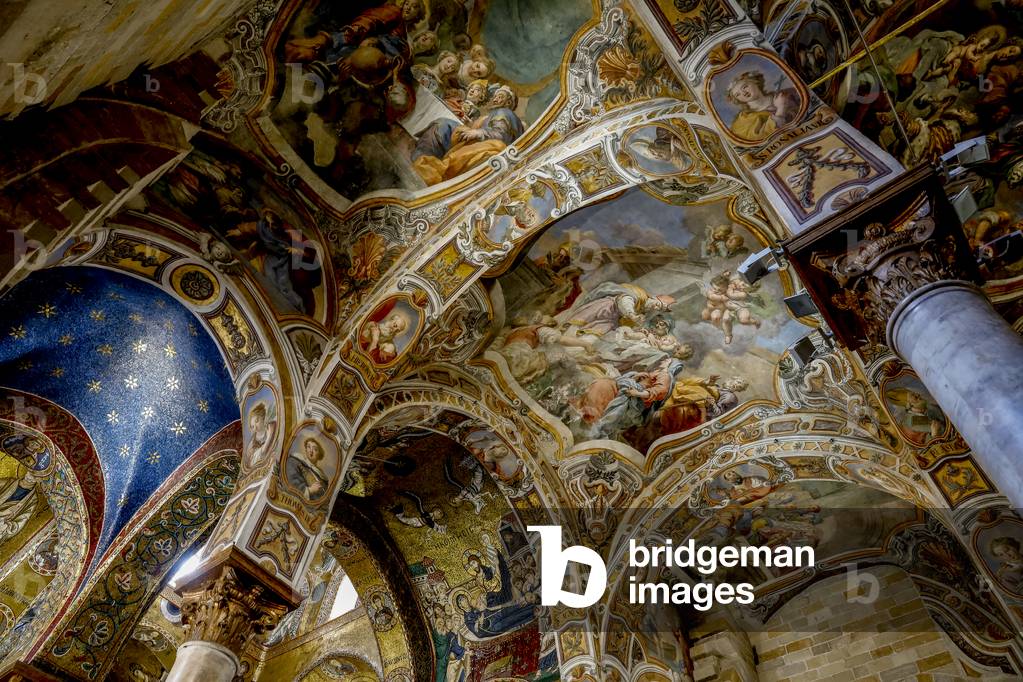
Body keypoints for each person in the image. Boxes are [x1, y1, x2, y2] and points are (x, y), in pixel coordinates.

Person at [565, 282, 674, 336]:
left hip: (611, 319)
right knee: (577, 324)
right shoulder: (640, 295)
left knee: (593, 334)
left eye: (658, 309)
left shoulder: (643, 310)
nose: (655, 308)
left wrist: (637, 329)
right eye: (657, 304)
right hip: (606, 307)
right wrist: (632, 315)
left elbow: (629, 324)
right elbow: (624, 300)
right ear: (654, 298)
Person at [725, 70, 801, 140]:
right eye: (738, 94)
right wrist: (781, 108)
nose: (744, 93)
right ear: (737, 100)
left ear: (756, 82)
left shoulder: (786, 94)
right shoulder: (744, 119)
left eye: (745, 87)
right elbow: (763, 137)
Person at [246, 401, 276, 467]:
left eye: (256, 421)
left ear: (263, 418)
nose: (255, 427)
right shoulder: (253, 443)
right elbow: (255, 460)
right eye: (252, 426)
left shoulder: (272, 426)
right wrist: (269, 437)